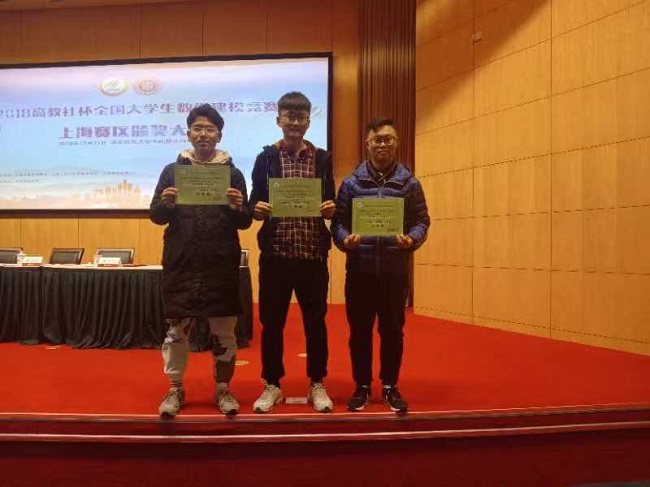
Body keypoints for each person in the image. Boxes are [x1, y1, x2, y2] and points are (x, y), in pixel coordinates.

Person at [150, 103, 252, 417]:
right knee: (176, 332)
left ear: (219, 135)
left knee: (224, 333)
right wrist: (166, 203)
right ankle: (175, 389)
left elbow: (245, 221)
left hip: (220, 265)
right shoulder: (172, 171)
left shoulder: (233, 174)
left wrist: (238, 207)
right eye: (198, 128)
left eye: (210, 129)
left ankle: (223, 389)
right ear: (189, 134)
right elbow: (156, 216)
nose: (203, 134)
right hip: (182, 263)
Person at [332, 117, 430, 414]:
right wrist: (345, 240)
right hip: (359, 270)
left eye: (388, 139)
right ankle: (362, 386)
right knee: (359, 333)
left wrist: (411, 240)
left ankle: (390, 386)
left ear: (396, 143)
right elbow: (338, 223)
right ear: (368, 144)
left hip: (394, 271)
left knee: (392, 332)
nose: (383, 144)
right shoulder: (351, 183)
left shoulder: (410, 183)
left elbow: (421, 221)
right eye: (377, 139)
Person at [249, 91, 336, 413]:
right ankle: (272, 384)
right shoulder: (266, 158)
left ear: (308, 122)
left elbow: (331, 199)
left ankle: (317, 383)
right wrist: (256, 209)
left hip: (312, 254)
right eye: (289, 116)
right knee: (272, 324)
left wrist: (331, 209)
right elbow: (254, 199)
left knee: (316, 323)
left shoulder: (322, 159)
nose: (295, 122)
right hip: (276, 254)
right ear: (279, 120)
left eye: (301, 117)